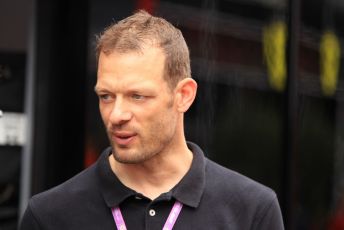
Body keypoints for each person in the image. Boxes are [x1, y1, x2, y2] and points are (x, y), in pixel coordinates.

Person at [20, 10, 284, 230]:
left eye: (137, 96)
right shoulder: (49, 216)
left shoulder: (252, 211)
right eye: (106, 96)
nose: (116, 115)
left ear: (184, 96)